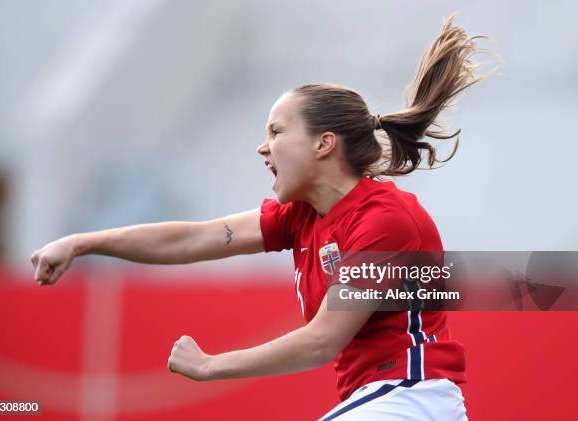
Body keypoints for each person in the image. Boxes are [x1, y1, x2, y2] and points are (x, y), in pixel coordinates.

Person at [31, 15, 489, 420]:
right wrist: (82, 242)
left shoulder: (386, 219)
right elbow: (191, 240)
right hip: (382, 401)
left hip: (410, 399)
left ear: (323, 144)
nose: (263, 147)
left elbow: (320, 341)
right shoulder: (301, 216)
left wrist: (212, 366)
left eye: (276, 131)